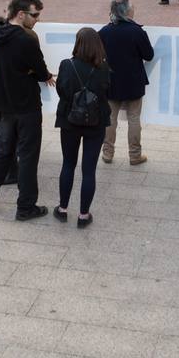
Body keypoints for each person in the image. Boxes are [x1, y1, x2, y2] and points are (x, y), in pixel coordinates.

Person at [0, 0, 54, 220]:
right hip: (26, 105)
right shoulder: (26, 39)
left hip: (5, 105)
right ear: (21, 15)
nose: (37, 20)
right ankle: (25, 207)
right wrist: (34, 72)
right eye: (35, 15)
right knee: (28, 156)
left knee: (3, 151)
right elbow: (41, 71)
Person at [54, 27, 112, 227]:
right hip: (96, 123)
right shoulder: (104, 67)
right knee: (89, 170)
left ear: (77, 43)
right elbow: (107, 92)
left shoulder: (66, 65)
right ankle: (83, 215)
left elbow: (61, 90)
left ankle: (62, 209)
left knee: (68, 164)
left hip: (70, 121)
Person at [98, 0, 154, 166]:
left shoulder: (104, 31)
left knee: (110, 118)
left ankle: (107, 153)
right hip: (133, 81)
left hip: (110, 81)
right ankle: (134, 154)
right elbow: (149, 55)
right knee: (134, 118)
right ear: (126, 11)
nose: (134, 9)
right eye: (132, 7)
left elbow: (98, 56)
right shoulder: (136, 31)